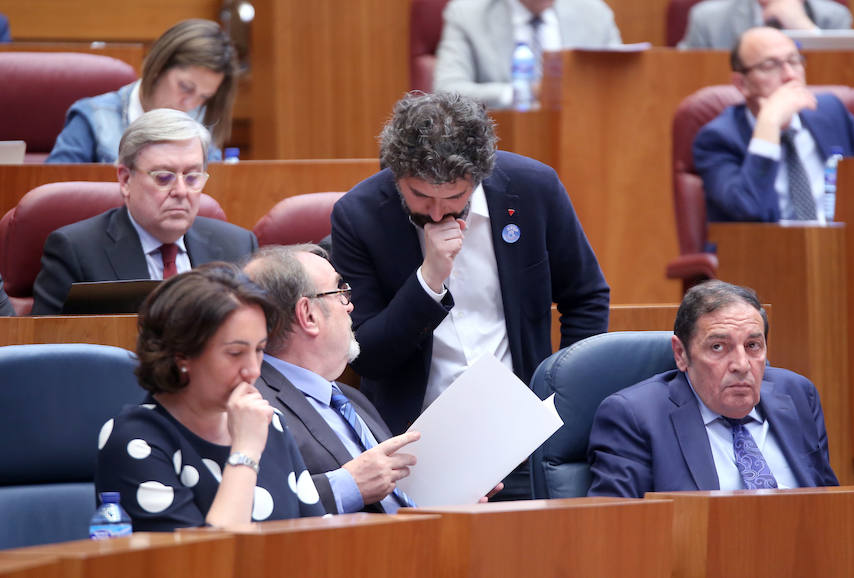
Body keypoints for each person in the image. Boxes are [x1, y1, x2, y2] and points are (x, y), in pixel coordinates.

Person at [330, 92, 610, 500]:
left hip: (524, 436)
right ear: (396, 174)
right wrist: (428, 282)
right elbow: (366, 352)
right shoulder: (359, 215)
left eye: (455, 198)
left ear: (480, 175)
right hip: (417, 446)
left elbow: (586, 296)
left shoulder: (534, 189)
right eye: (421, 196)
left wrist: (560, 398)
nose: (439, 213)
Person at [95, 263, 326, 531]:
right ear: (182, 355)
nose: (253, 370)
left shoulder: (270, 422)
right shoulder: (135, 440)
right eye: (235, 353)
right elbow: (208, 560)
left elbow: (317, 539)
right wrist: (245, 452)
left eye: (260, 350)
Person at [587, 280, 839, 498]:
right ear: (681, 354)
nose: (741, 365)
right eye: (718, 347)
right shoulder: (635, 417)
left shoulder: (797, 396)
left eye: (752, 345)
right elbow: (618, 530)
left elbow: (830, 505)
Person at [244, 244, 420, 514]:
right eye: (340, 291)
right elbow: (253, 507)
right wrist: (347, 486)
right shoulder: (253, 405)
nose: (349, 305)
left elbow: (393, 493)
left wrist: (450, 497)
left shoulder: (351, 398)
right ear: (308, 315)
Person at [31, 108, 257, 315]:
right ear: (126, 179)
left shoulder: (238, 246)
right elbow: (48, 347)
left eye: (192, 177)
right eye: (163, 177)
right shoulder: (76, 251)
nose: (180, 191)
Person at [693, 27, 854, 222]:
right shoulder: (718, 139)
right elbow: (748, 210)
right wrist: (769, 125)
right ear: (741, 84)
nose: (790, 75)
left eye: (794, 61)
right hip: (762, 253)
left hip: (841, 248)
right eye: (770, 66)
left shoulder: (829, 112)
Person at [47, 19, 237, 163]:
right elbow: (51, 195)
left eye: (204, 97)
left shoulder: (202, 123)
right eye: (185, 87)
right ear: (158, 68)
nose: (190, 105)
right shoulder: (93, 117)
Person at [433, 0, 621, 108]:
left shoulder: (594, 12)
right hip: (503, 144)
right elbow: (446, 90)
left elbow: (622, 85)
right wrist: (524, 93)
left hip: (585, 136)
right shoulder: (467, 14)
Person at [677, 0, 851, 49]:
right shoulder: (708, 18)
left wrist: (805, 29)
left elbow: (842, 79)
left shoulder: (835, 17)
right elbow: (683, 78)